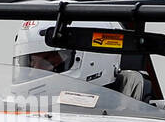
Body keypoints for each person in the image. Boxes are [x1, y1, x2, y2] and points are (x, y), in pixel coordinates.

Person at [12, 20, 149, 100]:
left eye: (47, 61)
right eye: (27, 63)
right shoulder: (22, 116)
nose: (30, 72)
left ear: (91, 60)